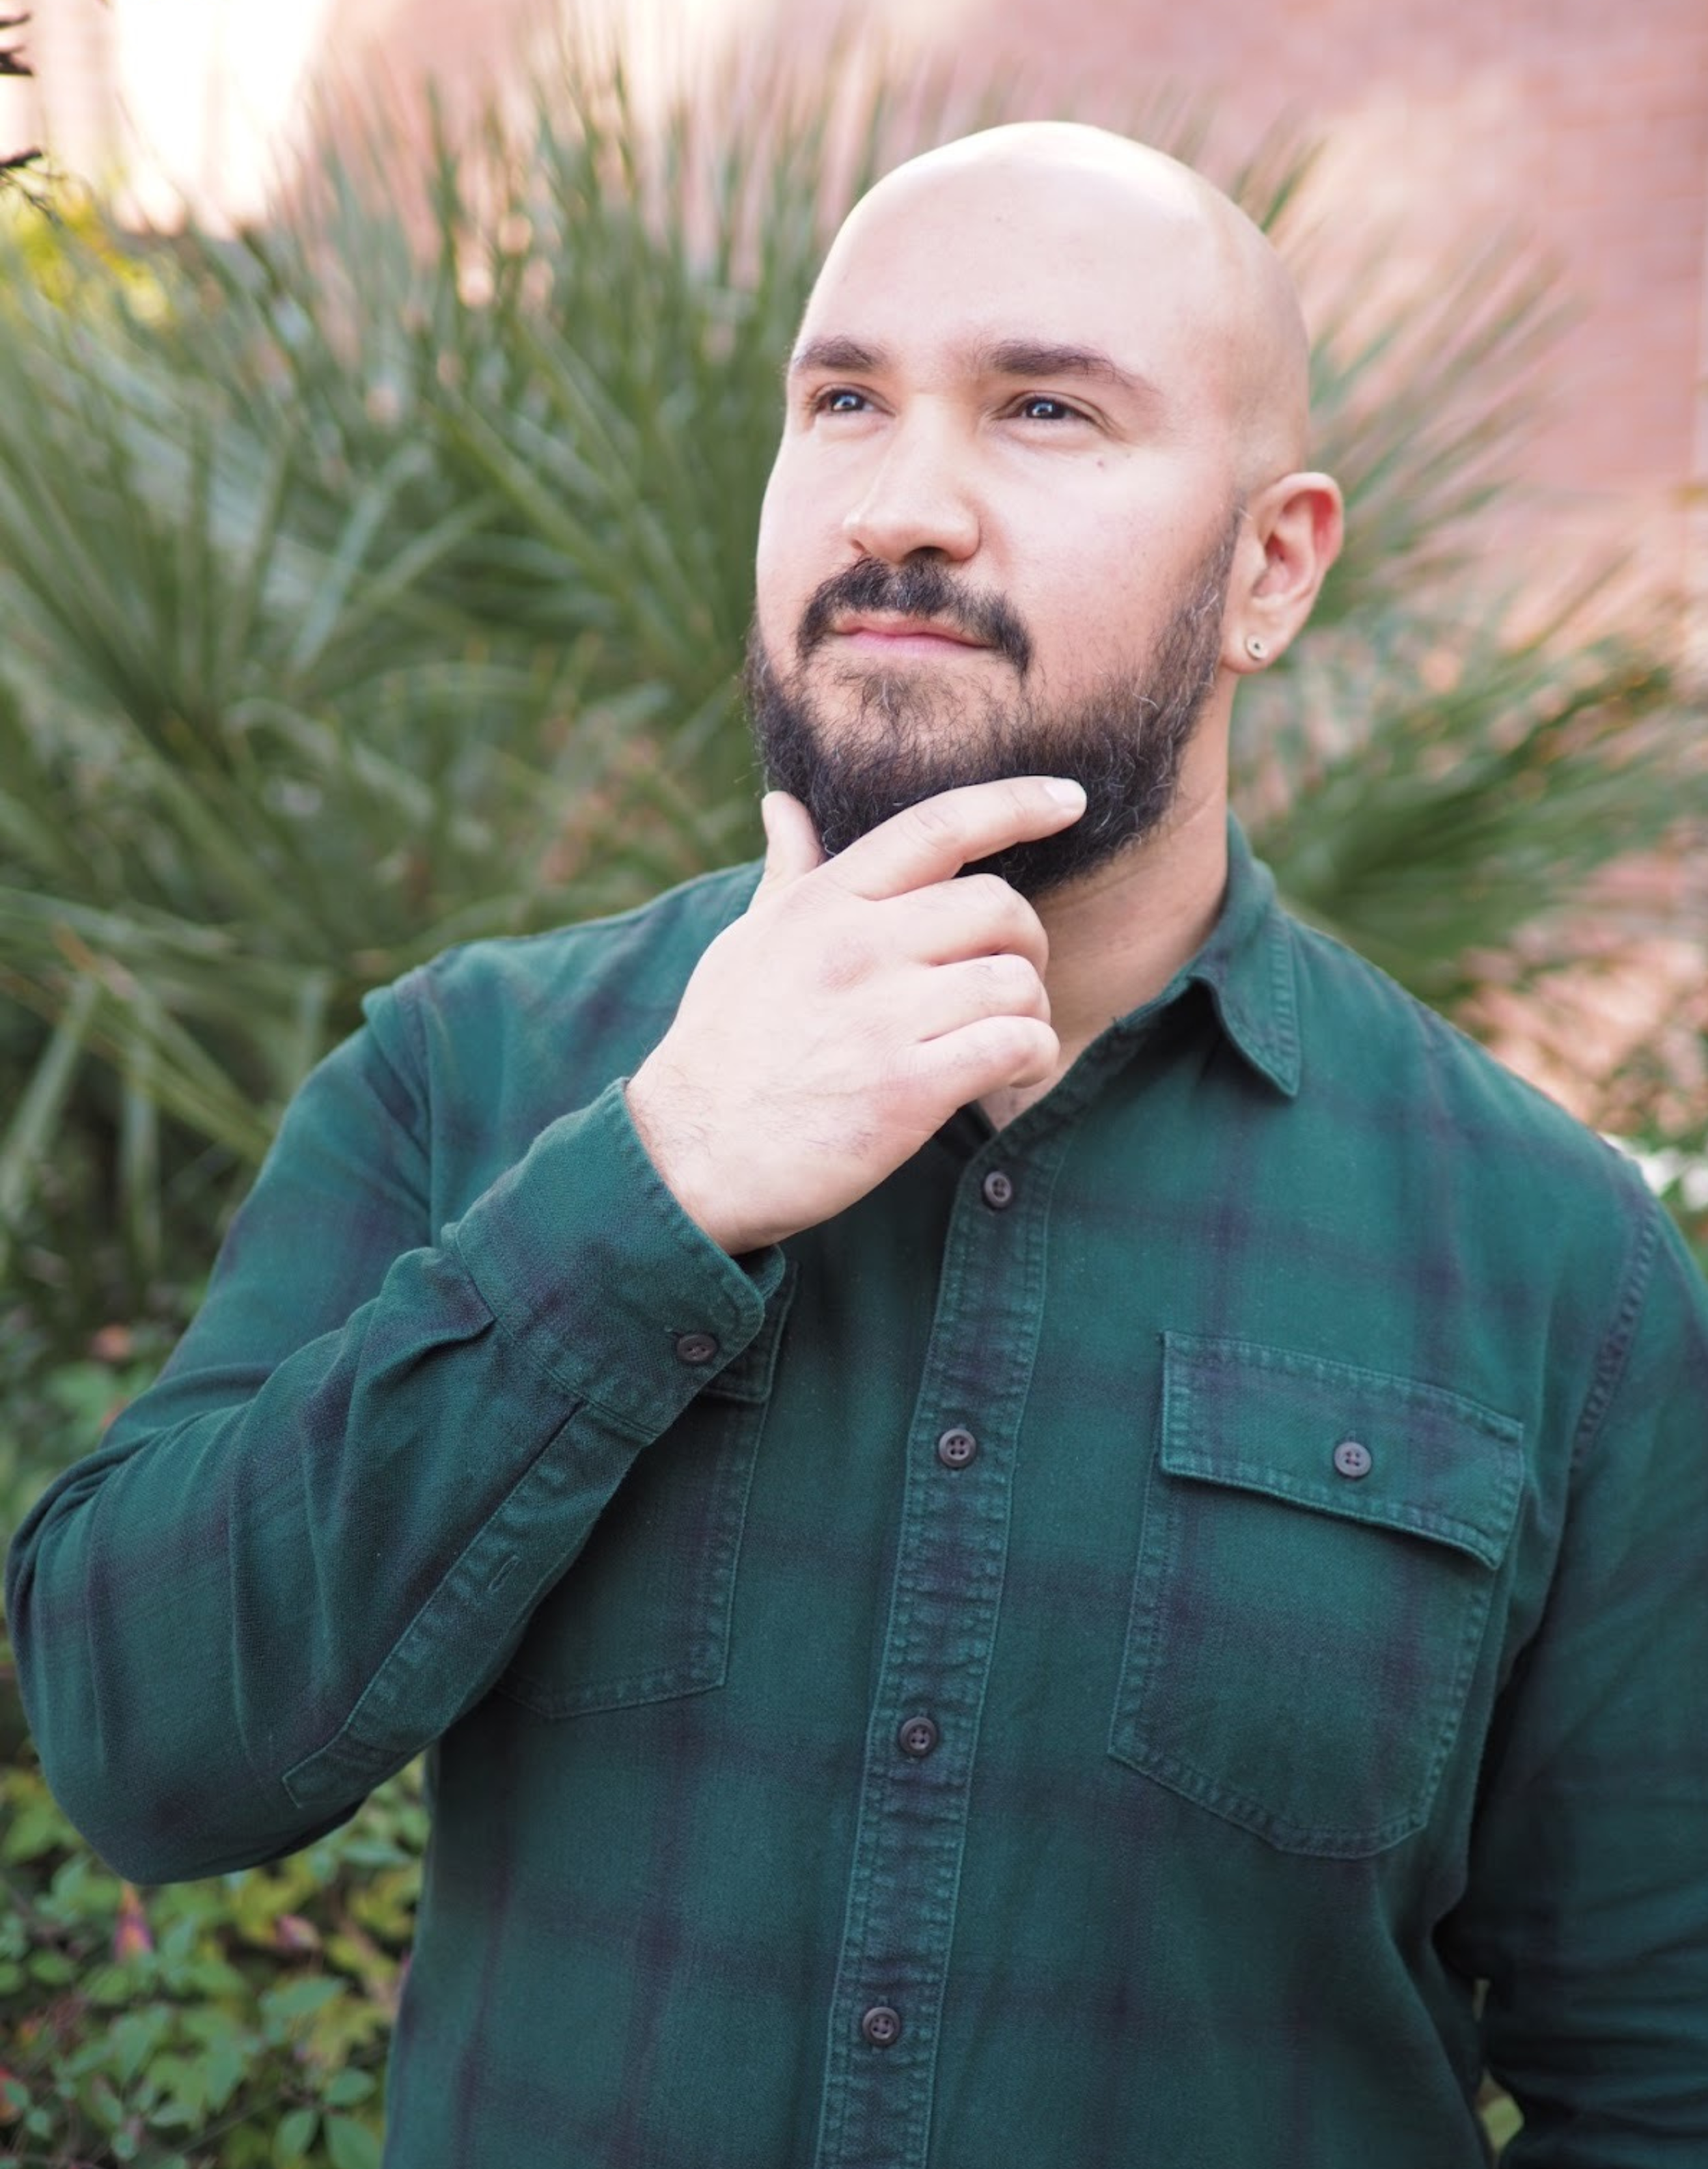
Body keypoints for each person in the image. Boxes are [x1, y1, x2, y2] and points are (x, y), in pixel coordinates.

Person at [8, 122, 1707, 2168]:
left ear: (1269, 567)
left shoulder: (1554, 1263)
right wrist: (651, 1188)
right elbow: (144, 1748)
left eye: (1046, 410)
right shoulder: (470, 1074)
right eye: (842, 402)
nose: (901, 503)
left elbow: (1658, 2069)